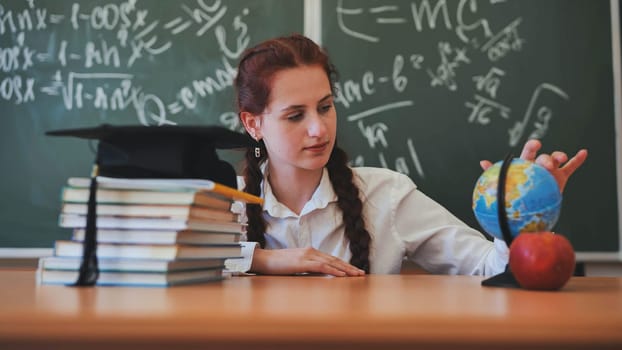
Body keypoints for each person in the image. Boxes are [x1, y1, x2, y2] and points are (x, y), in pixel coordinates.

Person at [225, 33, 588, 277]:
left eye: (325, 107)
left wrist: (521, 214)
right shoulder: (219, 206)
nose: (319, 129)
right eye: (295, 115)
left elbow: (488, 268)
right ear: (253, 123)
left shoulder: (387, 196)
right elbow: (172, 267)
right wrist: (262, 259)